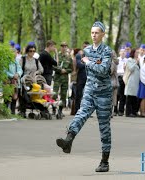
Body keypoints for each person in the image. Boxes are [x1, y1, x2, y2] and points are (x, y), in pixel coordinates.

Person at [56, 21, 112, 172]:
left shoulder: (107, 51)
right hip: (89, 90)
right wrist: (87, 62)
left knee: (104, 127)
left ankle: (105, 161)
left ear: (103, 34)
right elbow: (86, 70)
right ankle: (68, 140)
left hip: (104, 93)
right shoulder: (86, 50)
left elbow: (103, 69)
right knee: (81, 114)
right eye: (92, 32)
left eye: (97, 33)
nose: (94, 35)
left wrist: (88, 62)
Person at [18, 43, 44, 118]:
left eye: (34, 51)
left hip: (34, 81)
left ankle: (38, 107)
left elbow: (41, 69)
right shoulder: (22, 59)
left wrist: (36, 72)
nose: (32, 52)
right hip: (25, 80)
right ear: (27, 51)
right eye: (30, 51)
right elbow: (19, 69)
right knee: (24, 93)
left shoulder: (36, 61)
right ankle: (23, 110)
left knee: (37, 91)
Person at [52, 41, 72, 117]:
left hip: (65, 79)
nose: (64, 48)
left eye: (65, 46)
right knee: (54, 94)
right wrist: (60, 70)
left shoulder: (69, 57)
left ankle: (60, 111)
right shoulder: (56, 56)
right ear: (60, 47)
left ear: (66, 47)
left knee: (63, 95)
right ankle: (54, 109)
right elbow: (53, 66)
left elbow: (71, 69)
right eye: (62, 46)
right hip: (57, 78)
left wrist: (66, 71)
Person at [5, 48, 23, 114]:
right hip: (8, 82)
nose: (15, 54)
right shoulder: (6, 61)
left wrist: (18, 74)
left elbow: (20, 70)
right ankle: (6, 111)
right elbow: (5, 71)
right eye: (14, 52)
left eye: (16, 52)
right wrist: (12, 76)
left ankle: (13, 112)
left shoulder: (16, 61)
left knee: (14, 97)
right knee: (7, 96)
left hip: (15, 82)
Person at [74, 41, 90, 114]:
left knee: (88, 96)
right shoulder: (79, 55)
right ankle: (77, 110)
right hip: (80, 78)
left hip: (89, 78)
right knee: (78, 94)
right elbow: (79, 65)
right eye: (84, 47)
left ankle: (86, 111)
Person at [124, 48, 140, 117]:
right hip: (131, 80)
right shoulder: (129, 60)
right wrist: (135, 63)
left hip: (136, 81)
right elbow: (130, 68)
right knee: (129, 96)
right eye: (136, 52)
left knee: (134, 97)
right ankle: (128, 112)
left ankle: (134, 111)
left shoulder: (137, 60)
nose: (137, 54)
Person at [116, 48, 128, 116]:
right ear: (119, 53)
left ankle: (121, 110)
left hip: (125, 78)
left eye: (124, 52)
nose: (123, 53)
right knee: (117, 94)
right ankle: (115, 110)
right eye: (122, 52)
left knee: (123, 95)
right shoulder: (117, 60)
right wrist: (122, 70)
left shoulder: (127, 60)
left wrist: (125, 69)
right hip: (119, 77)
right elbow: (115, 70)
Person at [110, 50, 119, 118]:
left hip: (111, 82)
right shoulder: (114, 62)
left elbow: (110, 72)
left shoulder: (112, 62)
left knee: (110, 98)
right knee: (112, 98)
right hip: (114, 82)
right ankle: (111, 112)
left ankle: (110, 113)